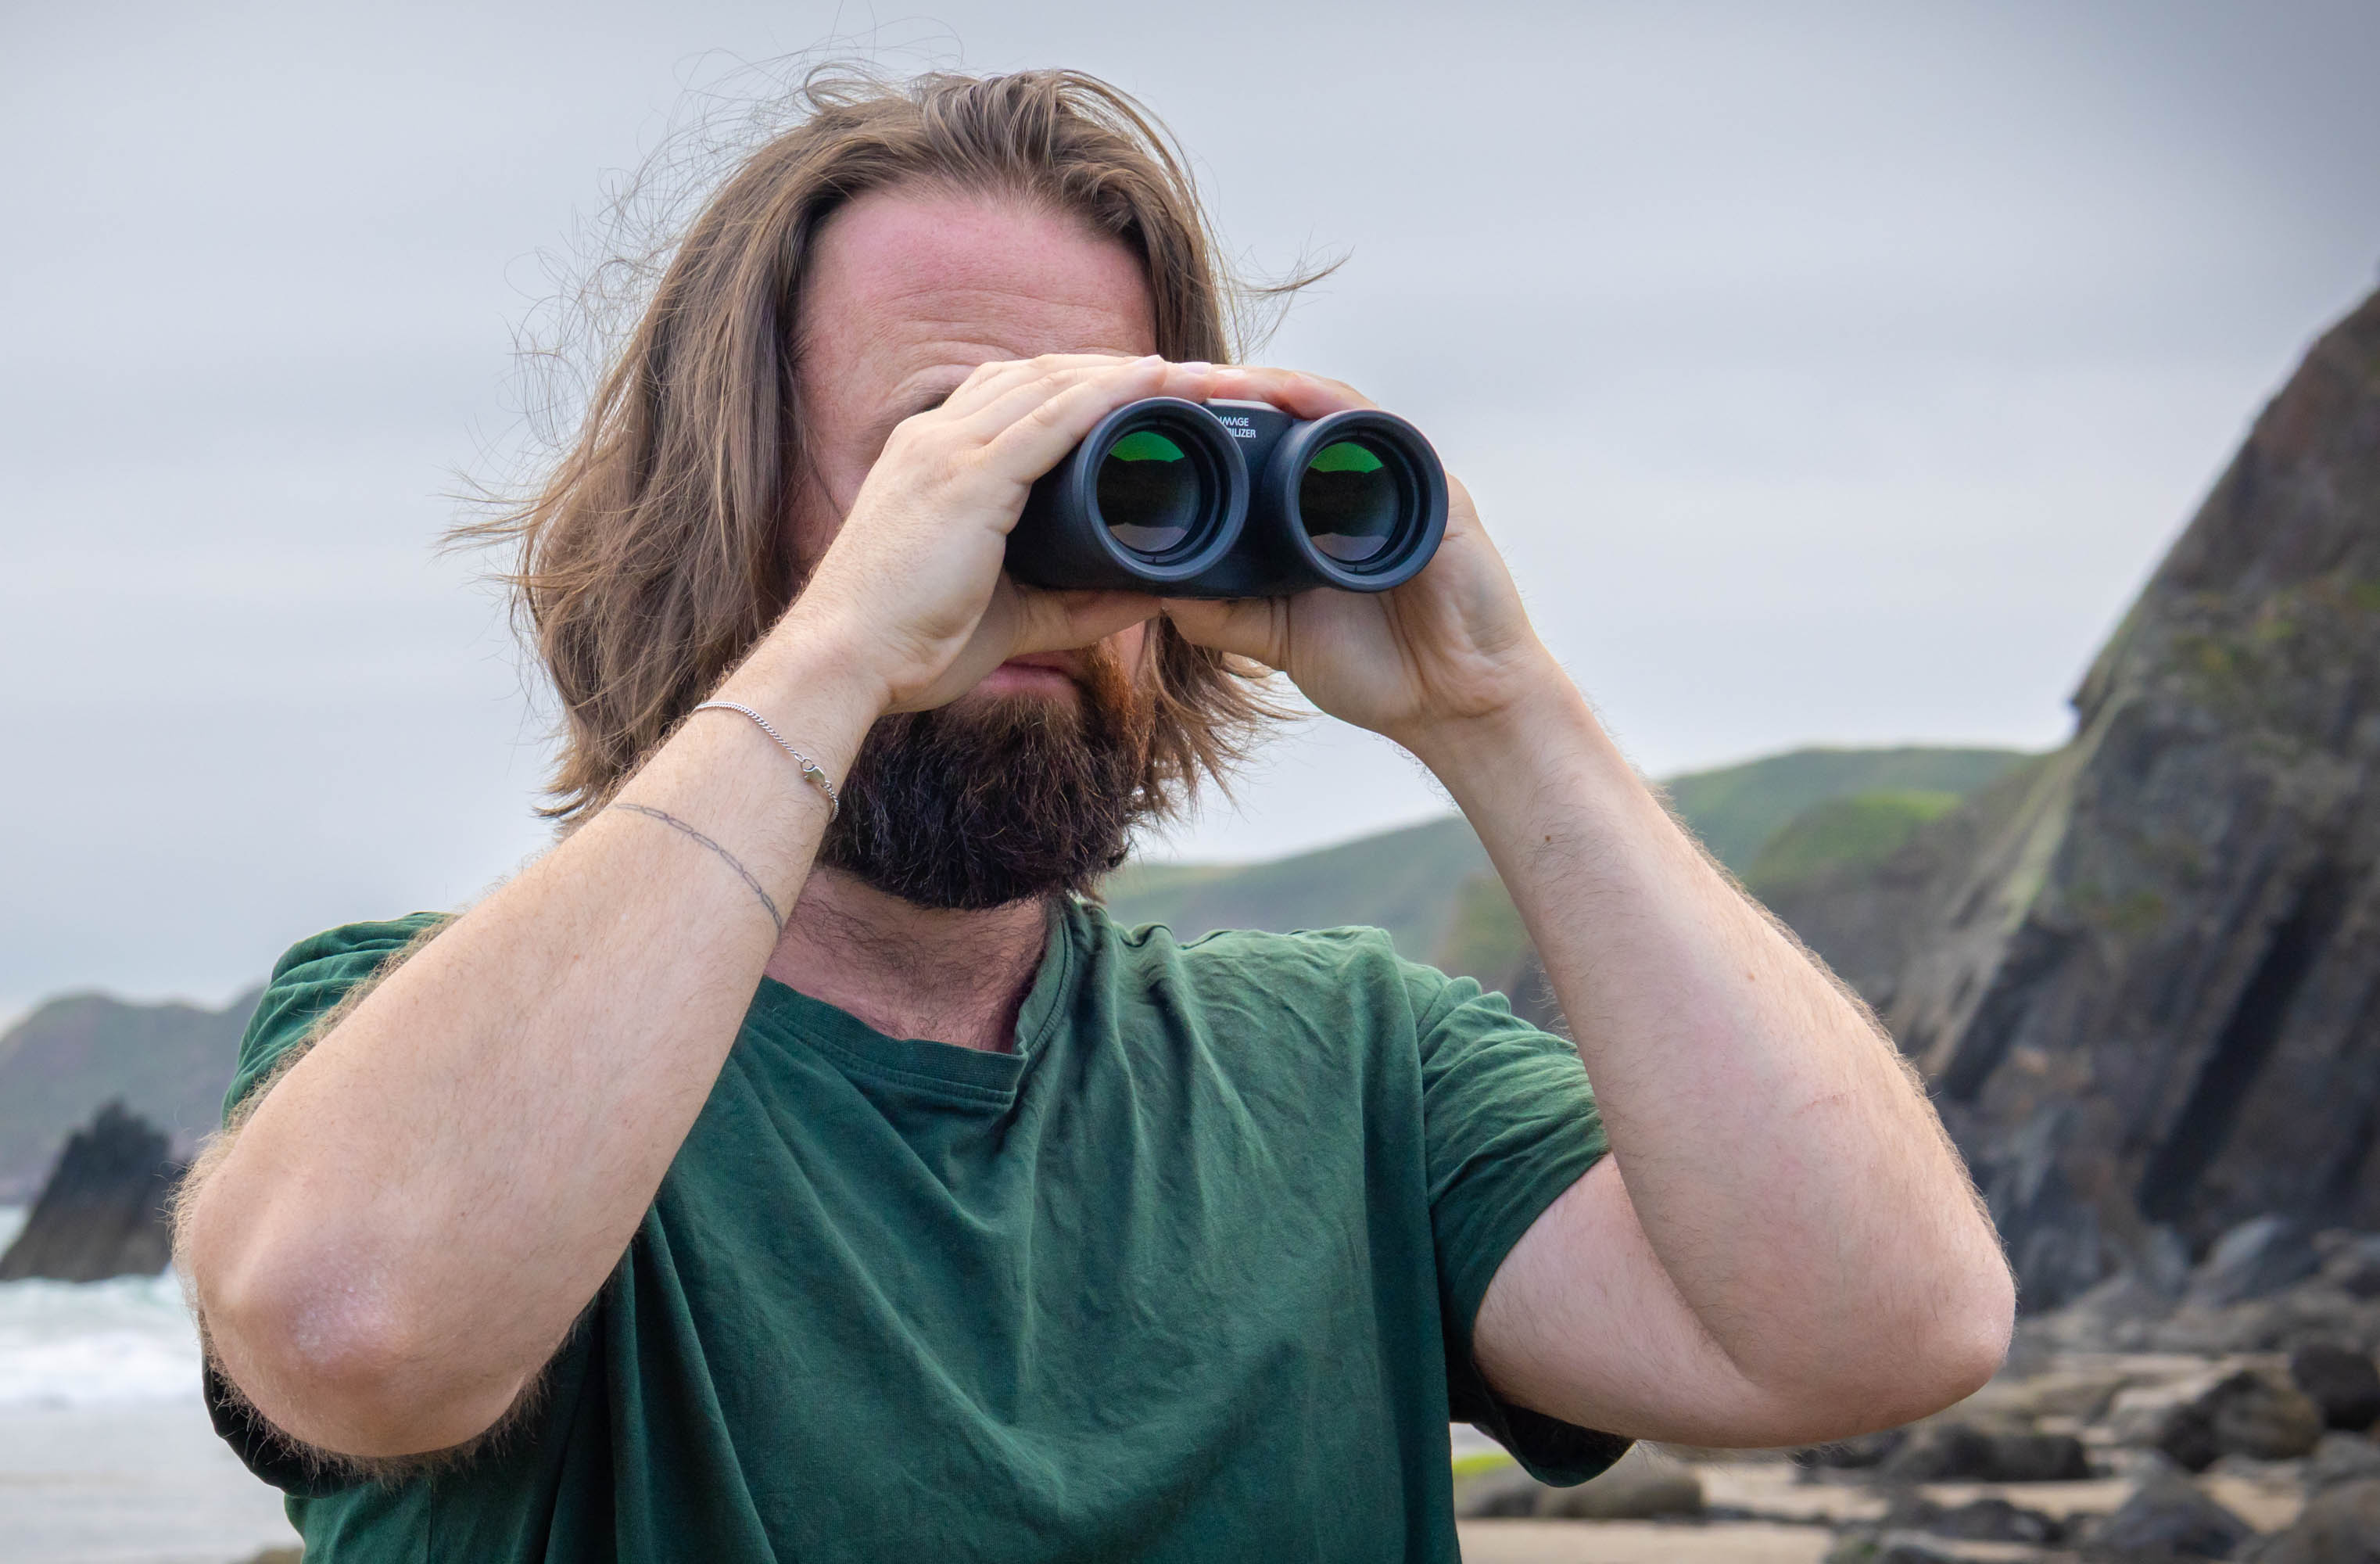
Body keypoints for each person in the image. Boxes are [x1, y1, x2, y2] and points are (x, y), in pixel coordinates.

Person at [177, 67, 2015, 1562]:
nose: (1039, 533)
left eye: (1120, 462)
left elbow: (1881, 1331)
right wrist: (837, 650)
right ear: (728, 502)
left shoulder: (1354, 1075)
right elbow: (356, 1328)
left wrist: (1500, 712)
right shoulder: (423, 1041)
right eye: (946, 449)